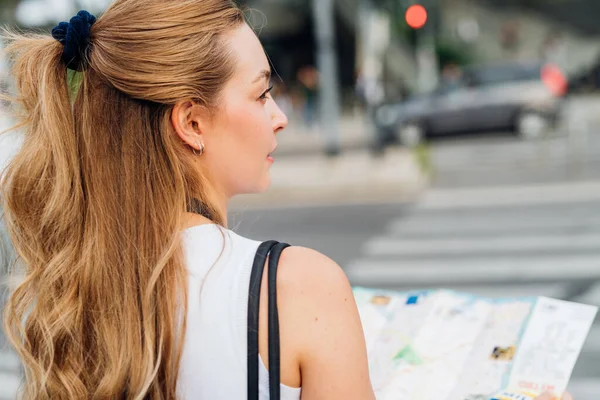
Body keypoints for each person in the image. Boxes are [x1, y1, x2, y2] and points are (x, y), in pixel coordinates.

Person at [0, 1, 573, 399]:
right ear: (192, 122)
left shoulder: (70, 286)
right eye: (263, 92)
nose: (279, 118)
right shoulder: (295, 285)